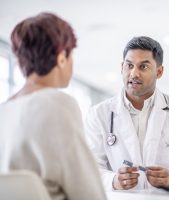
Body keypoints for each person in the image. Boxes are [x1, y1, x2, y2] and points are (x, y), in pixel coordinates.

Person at [0, 12, 106, 200]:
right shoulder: (57, 104)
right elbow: (90, 193)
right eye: (71, 53)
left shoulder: (4, 111)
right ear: (62, 56)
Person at [85, 36, 169, 190]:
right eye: (129, 65)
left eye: (143, 67)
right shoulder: (99, 114)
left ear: (159, 72)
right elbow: (89, 168)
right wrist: (113, 181)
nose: (134, 73)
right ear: (122, 66)